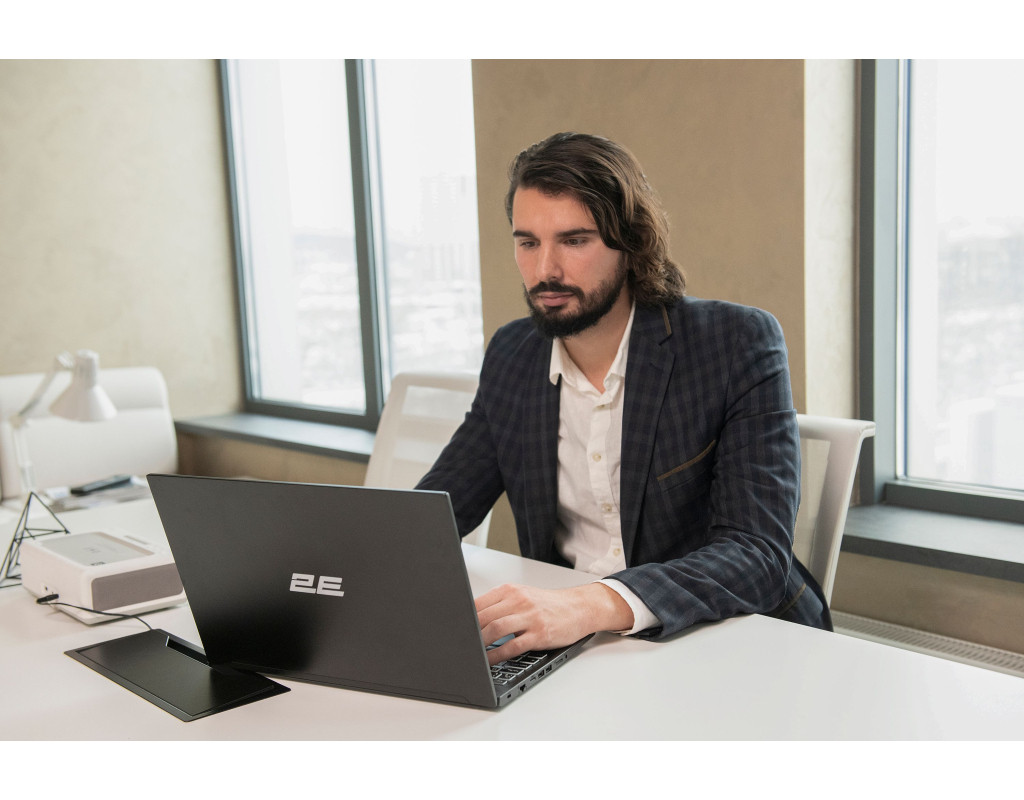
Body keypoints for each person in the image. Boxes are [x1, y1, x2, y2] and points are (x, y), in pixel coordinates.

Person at [417, 131, 830, 666]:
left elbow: (756, 554)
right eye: (528, 243)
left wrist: (589, 604)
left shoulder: (735, 344)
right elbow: (434, 513)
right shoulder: (512, 355)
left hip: (726, 643)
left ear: (631, 243)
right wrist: (334, 570)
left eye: (574, 241)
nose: (545, 271)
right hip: (577, 649)